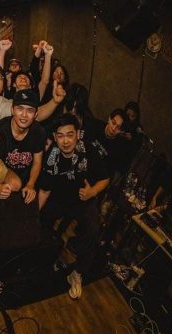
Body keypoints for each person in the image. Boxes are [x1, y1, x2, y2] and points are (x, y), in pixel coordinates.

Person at [38, 114, 109, 299]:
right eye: (60, 136)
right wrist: (34, 216)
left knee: (94, 228)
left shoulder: (89, 151)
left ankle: (77, 273)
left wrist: (92, 192)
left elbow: (105, 179)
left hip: (83, 199)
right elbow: (44, 191)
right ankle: (45, 258)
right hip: (58, 198)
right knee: (41, 221)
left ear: (78, 134)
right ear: (55, 137)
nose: (65, 141)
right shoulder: (51, 157)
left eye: (70, 135)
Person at [0, 89, 45, 204]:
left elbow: (37, 162)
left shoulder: (38, 132)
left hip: (23, 179)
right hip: (0, 174)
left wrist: (30, 184)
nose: (24, 115)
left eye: (30, 110)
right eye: (20, 109)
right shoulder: (0, 128)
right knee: (13, 186)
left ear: (35, 114)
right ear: (12, 110)